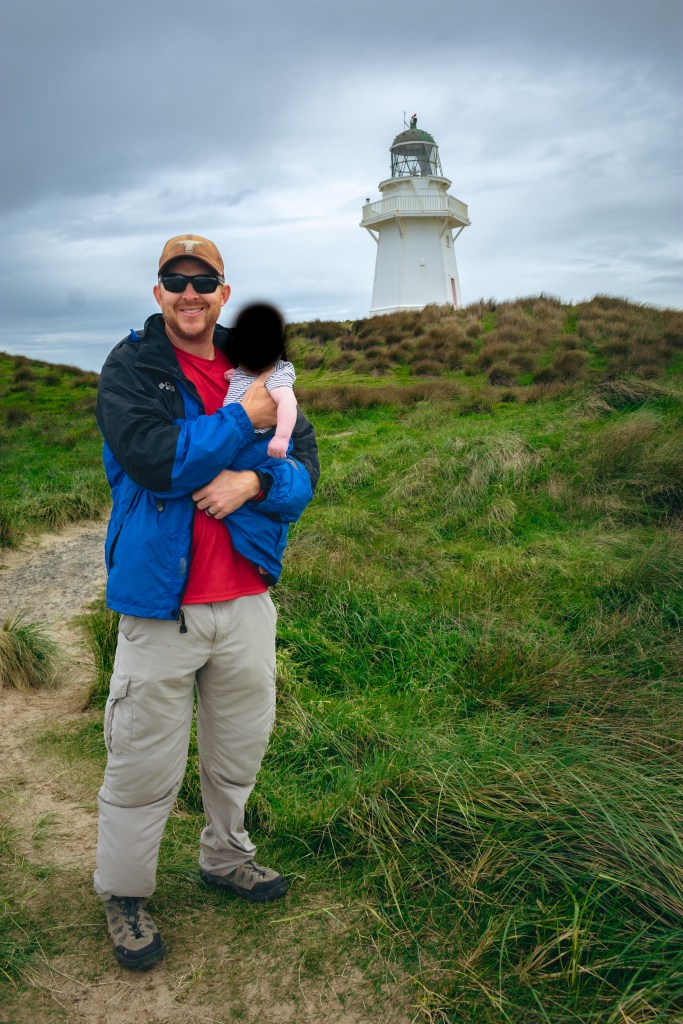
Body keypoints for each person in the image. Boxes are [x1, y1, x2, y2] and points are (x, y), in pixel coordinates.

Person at [94, 233, 319, 970]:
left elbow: (305, 469)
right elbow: (157, 461)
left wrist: (255, 482)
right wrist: (243, 422)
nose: (189, 293)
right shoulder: (132, 367)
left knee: (238, 751)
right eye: (175, 280)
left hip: (247, 600)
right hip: (162, 607)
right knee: (141, 763)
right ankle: (125, 894)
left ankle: (225, 858)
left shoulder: (260, 366)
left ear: (224, 292)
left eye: (203, 281)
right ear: (157, 291)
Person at [223, 302, 298, 460]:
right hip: (236, 438)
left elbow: (288, 402)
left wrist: (281, 438)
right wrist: (236, 375)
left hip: (259, 442)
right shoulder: (245, 369)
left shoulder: (275, 373)